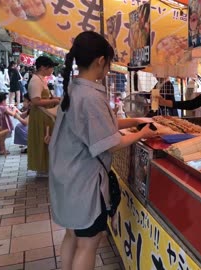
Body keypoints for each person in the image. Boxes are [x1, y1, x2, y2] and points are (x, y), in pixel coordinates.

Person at [48, 31, 159, 270]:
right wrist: (142, 134)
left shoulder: (76, 89)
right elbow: (109, 142)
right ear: (100, 61)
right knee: (88, 243)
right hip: (83, 181)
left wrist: (134, 121)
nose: (109, 68)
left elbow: (97, 127)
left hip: (67, 178)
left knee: (72, 234)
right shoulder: (90, 96)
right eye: (108, 63)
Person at [27, 56, 61, 176]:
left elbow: (44, 98)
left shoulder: (41, 79)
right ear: (42, 67)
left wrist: (56, 99)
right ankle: (42, 168)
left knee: (47, 139)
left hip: (45, 114)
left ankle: (46, 167)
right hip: (41, 114)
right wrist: (54, 101)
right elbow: (36, 101)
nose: (52, 69)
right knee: (44, 139)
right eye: (50, 67)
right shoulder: (35, 81)